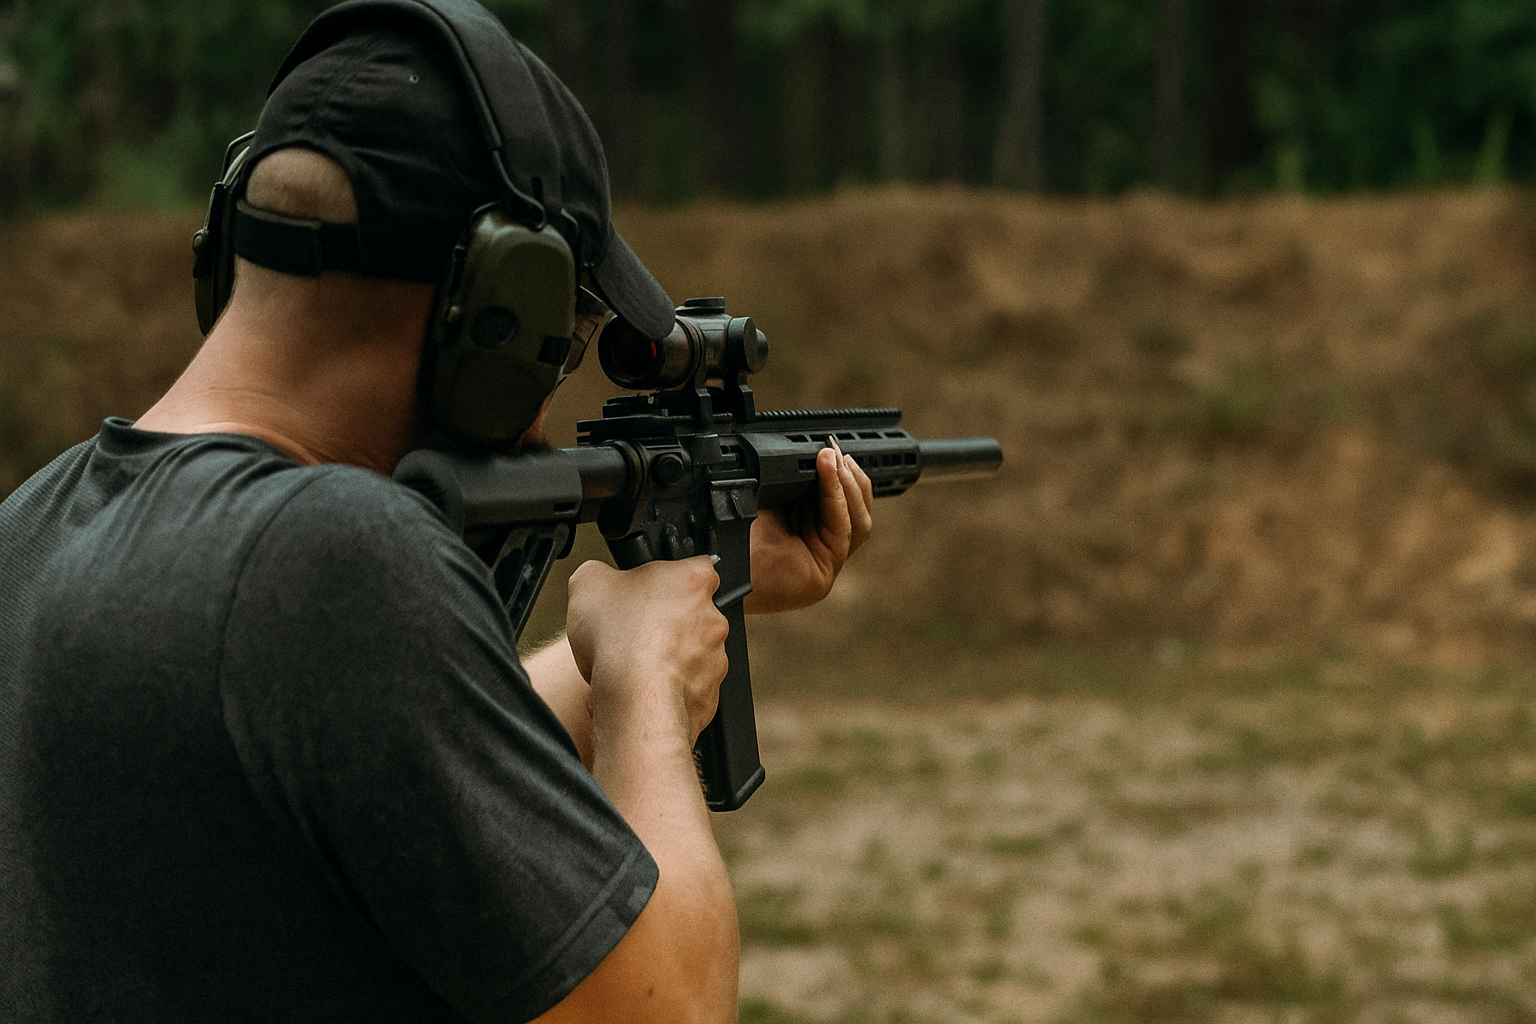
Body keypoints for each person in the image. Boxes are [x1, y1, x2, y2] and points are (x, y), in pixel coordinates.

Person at [0, 5, 873, 1023]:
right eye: (569, 334)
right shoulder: (329, 557)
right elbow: (667, 1006)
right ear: (502, 306)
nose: (550, 401)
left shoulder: (32, 531)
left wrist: (684, 613)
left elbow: (414, 763)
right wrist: (644, 693)